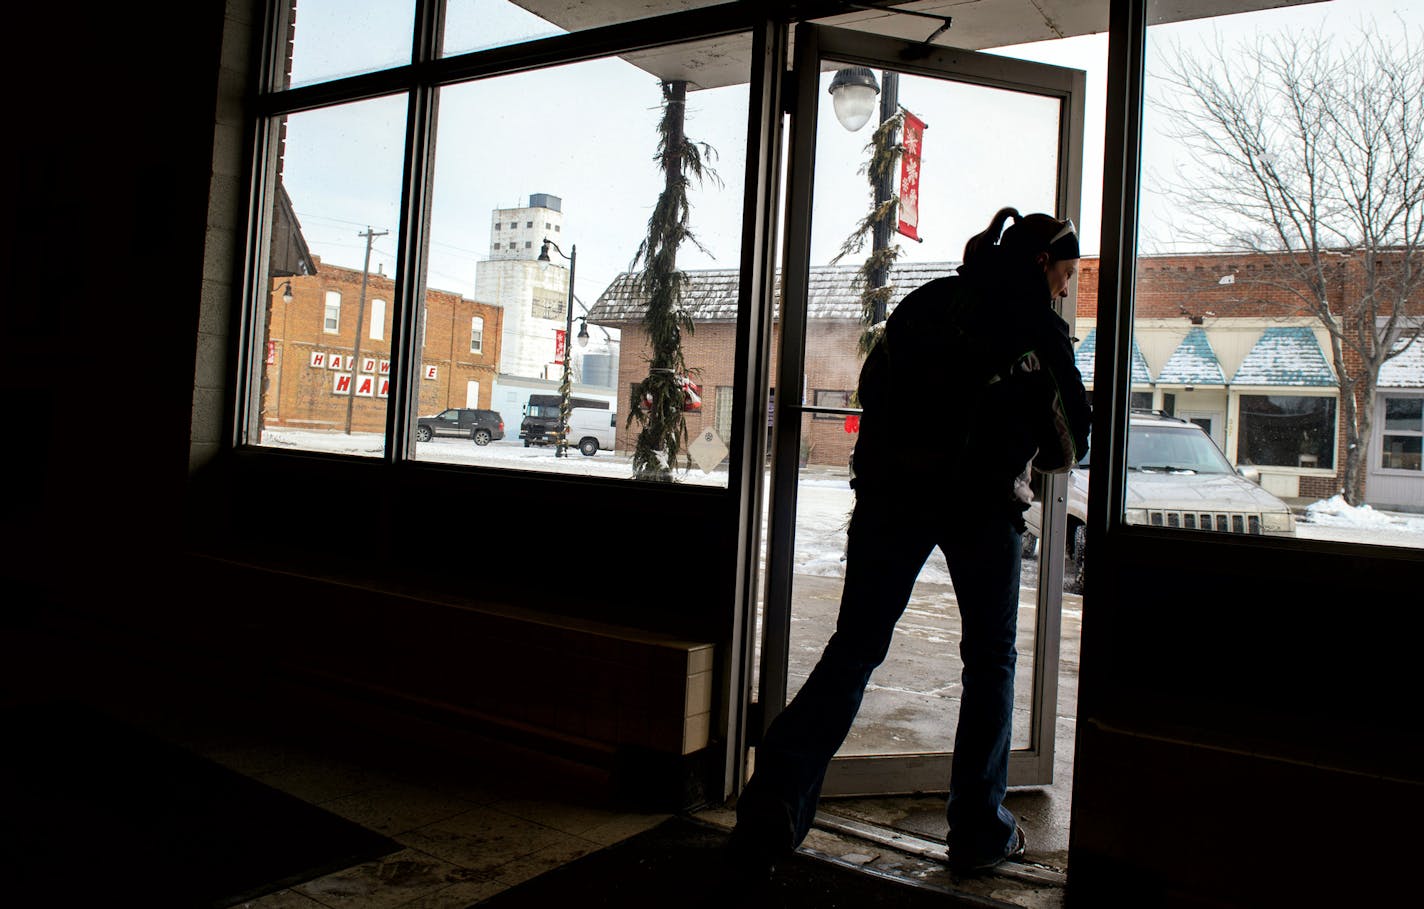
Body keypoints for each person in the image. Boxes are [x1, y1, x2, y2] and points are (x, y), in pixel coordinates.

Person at [729, 207, 1091, 878]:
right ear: (1042, 262)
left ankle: (775, 793)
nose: (1066, 288)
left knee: (855, 646)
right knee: (989, 660)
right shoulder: (1036, 327)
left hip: (892, 496)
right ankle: (979, 827)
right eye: (1066, 273)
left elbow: (874, 386)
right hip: (982, 508)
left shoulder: (929, 302)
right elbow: (1071, 442)